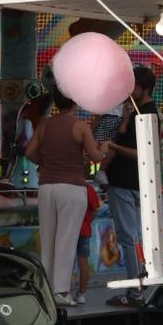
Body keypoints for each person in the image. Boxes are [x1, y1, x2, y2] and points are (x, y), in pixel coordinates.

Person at [26, 89, 108, 305]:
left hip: (46, 187)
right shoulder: (81, 127)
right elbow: (95, 156)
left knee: (48, 238)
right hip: (72, 187)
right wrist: (105, 148)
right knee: (67, 239)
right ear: (75, 102)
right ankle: (61, 292)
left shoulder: (45, 125)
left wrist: (43, 163)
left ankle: (46, 289)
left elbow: (29, 152)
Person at [103, 66, 157, 305]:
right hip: (136, 183)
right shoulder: (139, 113)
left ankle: (135, 291)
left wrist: (112, 148)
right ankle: (141, 286)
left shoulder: (145, 116)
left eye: (132, 86)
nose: (128, 90)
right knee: (137, 236)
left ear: (143, 88)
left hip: (126, 182)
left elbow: (141, 153)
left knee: (128, 237)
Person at [74, 182, 100, 306]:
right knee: (83, 263)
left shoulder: (68, 186)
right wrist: (87, 221)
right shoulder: (88, 189)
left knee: (66, 263)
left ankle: (63, 293)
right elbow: (95, 209)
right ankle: (82, 294)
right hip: (84, 229)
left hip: (68, 230)